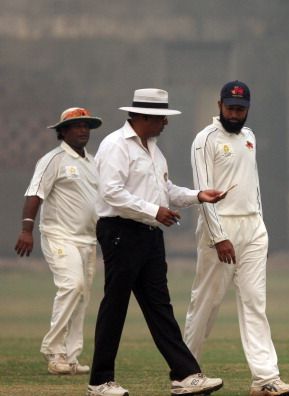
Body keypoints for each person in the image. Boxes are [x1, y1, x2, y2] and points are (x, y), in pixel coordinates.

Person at [87, 88, 226, 396]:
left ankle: (184, 375)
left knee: (159, 307)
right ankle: (99, 382)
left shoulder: (154, 149)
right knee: (116, 304)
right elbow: (111, 192)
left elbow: (165, 189)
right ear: (144, 117)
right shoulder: (115, 146)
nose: (165, 123)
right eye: (162, 117)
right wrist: (154, 211)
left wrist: (197, 196)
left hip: (149, 235)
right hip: (121, 232)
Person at [183, 80, 289, 396]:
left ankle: (265, 379)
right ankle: (186, 373)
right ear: (219, 106)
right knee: (206, 302)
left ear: (248, 109)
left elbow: (252, 185)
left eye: (241, 109)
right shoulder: (204, 141)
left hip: (252, 230)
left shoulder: (249, 137)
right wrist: (219, 237)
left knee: (255, 303)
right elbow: (203, 192)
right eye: (230, 108)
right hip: (218, 230)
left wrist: (260, 226)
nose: (235, 114)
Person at [14, 107, 102, 375]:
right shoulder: (53, 160)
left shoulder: (94, 161)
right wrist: (26, 230)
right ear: (62, 132)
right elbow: (34, 194)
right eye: (76, 125)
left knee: (83, 297)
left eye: (86, 125)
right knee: (72, 286)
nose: (83, 130)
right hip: (59, 235)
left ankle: (71, 357)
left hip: (88, 240)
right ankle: (54, 350)